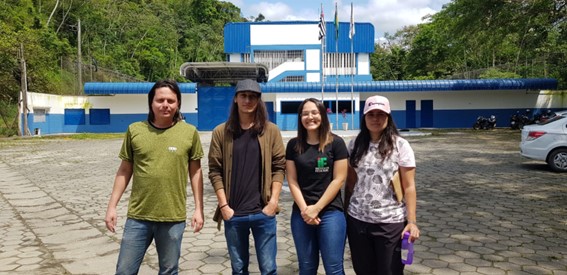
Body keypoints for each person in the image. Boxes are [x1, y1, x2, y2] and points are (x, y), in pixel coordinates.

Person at [104, 80, 204, 275]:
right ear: (151, 103)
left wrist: (199, 209)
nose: (165, 105)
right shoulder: (135, 130)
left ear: (178, 105)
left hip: (173, 217)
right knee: (124, 270)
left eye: (171, 101)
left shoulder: (189, 133)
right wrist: (112, 206)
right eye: (160, 100)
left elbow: (196, 172)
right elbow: (125, 170)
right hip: (138, 217)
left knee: (168, 270)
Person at [208, 79, 286, 275]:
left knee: (268, 269)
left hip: (263, 212)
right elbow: (215, 170)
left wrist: (273, 203)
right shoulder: (221, 132)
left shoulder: (271, 131)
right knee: (238, 268)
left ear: (258, 101)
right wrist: (224, 206)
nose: (247, 100)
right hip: (234, 214)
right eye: (243, 95)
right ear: (235, 99)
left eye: (253, 97)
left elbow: (279, 167)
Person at [345, 95, 420, 275]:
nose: (376, 119)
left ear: (388, 117)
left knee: (389, 271)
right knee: (363, 271)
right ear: (364, 118)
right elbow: (350, 182)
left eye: (381, 114)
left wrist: (412, 222)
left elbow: (409, 186)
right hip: (358, 221)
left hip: (390, 223)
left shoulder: (400, 146)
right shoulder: (354, 144)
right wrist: (345, 214)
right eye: (371, 114)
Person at [285, 98, 348, 275]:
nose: (310, 117)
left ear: (322, 115)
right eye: (305, 113)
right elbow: (291, 180)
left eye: (314, 112)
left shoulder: (336, 143)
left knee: (334, 268)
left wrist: (317, 208)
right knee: (306, 268)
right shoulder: (293, 145)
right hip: (302, 215)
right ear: (300, 118)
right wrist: (306, 210)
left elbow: (339, 179)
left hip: (331, 213)